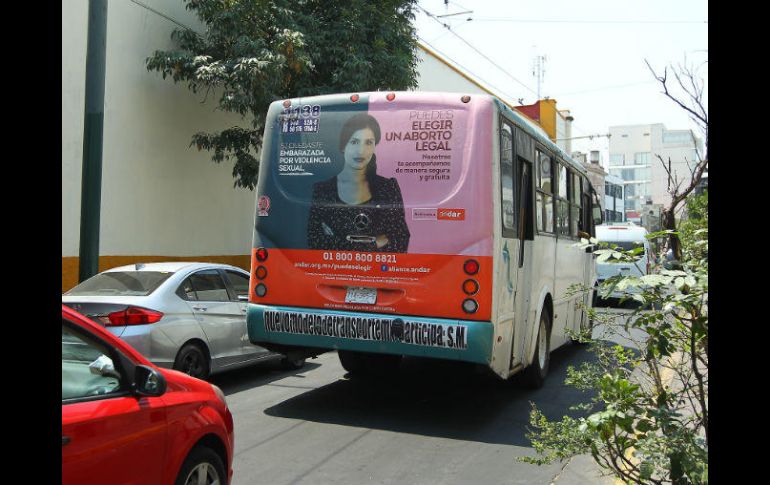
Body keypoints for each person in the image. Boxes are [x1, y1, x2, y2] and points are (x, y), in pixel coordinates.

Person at [307, 113, 410, 252]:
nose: (361, 151)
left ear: (375, 146)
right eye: (354, 142)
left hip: (380, 266)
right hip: (335, 266)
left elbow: (400, 239)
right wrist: (374, 244)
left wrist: (338, 241)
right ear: (343, 146)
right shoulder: (322, 190)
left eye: (369, 142)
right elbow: (316, 241)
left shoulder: (388, 187)